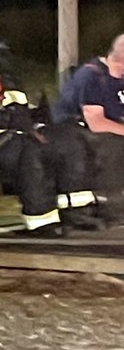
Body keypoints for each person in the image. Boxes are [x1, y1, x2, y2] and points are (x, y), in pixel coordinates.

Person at [0, 0, 102, 235]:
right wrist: (9, 121)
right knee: (32, 149)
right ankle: (40, 221)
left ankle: (76, 211)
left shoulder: (0, 70)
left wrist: (38, 115)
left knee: (69, 137)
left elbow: (17, 106)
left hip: (17, 133)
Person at [54, 34, 124, 215]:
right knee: (115, 146)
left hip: (106, 131)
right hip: (74, 133)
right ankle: (110, 206)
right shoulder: (92, 75)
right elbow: (96, 123)